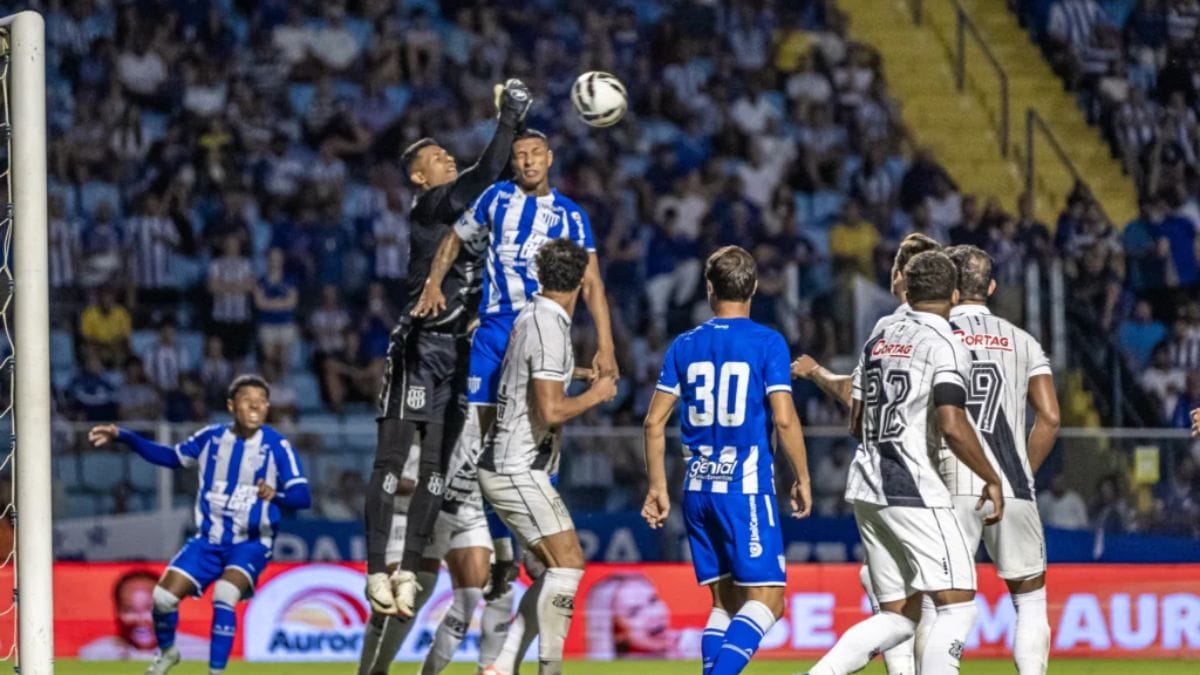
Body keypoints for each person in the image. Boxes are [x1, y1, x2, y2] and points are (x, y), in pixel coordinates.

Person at [408, 127, 619, 615]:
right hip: (497, 330)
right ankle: (505, 547)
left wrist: (605, 345)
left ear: (550, 158)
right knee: (484, 442)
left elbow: (592, 283)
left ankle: (535, 536)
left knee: (543, 433)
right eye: (519, 154)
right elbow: (453, 239)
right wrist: (434, 283)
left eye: (534, 153)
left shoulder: (570, 215)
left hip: (546, 328)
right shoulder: (495, 199)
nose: (526, 161)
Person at [361, 78, 533, 618]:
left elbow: (502, 176)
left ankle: (408, 574)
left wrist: (518, 128)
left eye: (446, 154)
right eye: (437, 158)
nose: (448, 159)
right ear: (419, 178)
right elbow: (485, 174)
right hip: (420, 346)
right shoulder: (431, 206)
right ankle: (375, 571)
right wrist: (508, 118)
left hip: (459, 354)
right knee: (393, 463)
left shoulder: (470, 214)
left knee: (436, 470)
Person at [804, 251, 1005, 675]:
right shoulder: (946, 344)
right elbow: (952, 423)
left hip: (867, 486)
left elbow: (856, 419)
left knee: (898, 617)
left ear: (907, 292)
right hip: (912, 487)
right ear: (954, 295)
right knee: (958, 606)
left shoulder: (880, 337)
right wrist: (990, 476)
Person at [642, 245, 813, 675]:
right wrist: (802, 476)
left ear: (709, 289)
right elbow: (784, 419)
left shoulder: (684, 345)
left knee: (725, 603)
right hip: (744, 488)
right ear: (754, 288)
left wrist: (657, 487)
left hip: (697, 490)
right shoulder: (767, 341)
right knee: (769, 601)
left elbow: (653, 422)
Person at [87, 374, 311, 675]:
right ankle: (168, 653)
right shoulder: (211, 438)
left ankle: (215, 673)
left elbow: (302, 496)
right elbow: (170, 457)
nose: (256, 406)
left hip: (251, 543)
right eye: (248, 400)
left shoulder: (277, 446)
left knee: (225, 594)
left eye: (262, 401)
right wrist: (124, 436)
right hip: (208, 541)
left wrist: (276, 495)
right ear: (231, 406)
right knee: (163, 599)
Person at [791, 232, 940, 675]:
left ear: (900, 276)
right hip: (920, 479)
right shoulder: (941, 333)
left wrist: (818, 373)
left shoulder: (882, 331)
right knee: (941, 601)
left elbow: (857, 409)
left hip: (870, 477)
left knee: (891, 603)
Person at [476, 240, 619, 675]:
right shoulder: (550, 328)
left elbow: (531, 374)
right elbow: (552, 410)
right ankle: (548, 669)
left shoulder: (532, 315)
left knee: (553, 571)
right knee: (569, 564)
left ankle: (501, 667)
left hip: (510, 464)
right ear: (581, 281)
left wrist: (577, 373)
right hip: (516, 469)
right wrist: (597, 393)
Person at [943, 245, 1060, 675]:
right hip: (1011, 483)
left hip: (950, 484)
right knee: (1030, 601)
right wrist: (1021, 474)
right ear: (991, 287)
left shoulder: (936, 335)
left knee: (945, 605)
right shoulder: (1023, 340)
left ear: (951, 289)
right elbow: (1050, 417)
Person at [77, 570, 208, 660]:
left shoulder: (200, 653)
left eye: (150, 609)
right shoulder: (95, 655)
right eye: (129, 610)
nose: (141, 620)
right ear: (117, 612)